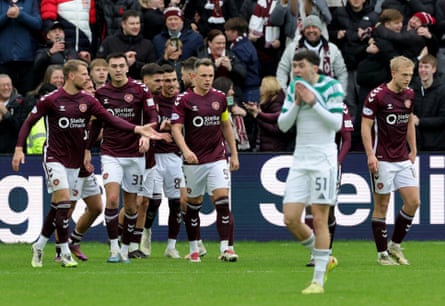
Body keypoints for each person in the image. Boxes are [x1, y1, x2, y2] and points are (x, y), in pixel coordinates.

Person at [11, 59, 163, 268]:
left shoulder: (89, 101)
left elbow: (111, 120)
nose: (88, 78)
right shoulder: (51, 99)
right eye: (84, 74)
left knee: (59, 206)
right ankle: (64, 251)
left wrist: (138, 130)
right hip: (54, 156)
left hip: (76, 161)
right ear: (71, 76)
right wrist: (19, 148)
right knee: (64, 200)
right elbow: (29, 121)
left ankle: (40, 244)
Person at [277, 50, 343, 294]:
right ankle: (326, 257)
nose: (295, 70)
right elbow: (283, 125)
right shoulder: (294, 87)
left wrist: (313, 102)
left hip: (323, 161)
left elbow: (336, 124)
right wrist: (296, 103)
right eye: (294, 66)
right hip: (299, 161)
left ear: (314, 67)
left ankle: (318, 280)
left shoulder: (332, 87)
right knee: (291, 218)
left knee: (319, 219)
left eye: (300, 65)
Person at [86, 53, 160, 264]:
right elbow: (97, 125)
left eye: (121, 66)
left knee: (131, 207)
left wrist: (146, 135)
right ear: (108, 69)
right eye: (114, 66)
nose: (118, 69)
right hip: (111, 153)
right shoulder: (101, 94)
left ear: (127, 68)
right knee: (110, 199)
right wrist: (87, 148)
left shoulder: (140, 89)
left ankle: (126, 249)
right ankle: (113, 248)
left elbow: (153, 117)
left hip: (135, 154)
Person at [171, 58, 239, 262]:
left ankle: (226, 248)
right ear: (193, 77)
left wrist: (233, 153)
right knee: (193, 206)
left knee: (222, 201)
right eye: (204, 76)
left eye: (211, 76)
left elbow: (226, 125)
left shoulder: (220, 97)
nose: (208, 80)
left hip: (217, 158)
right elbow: (176, 128)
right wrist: (185, 150)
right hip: (193, 162)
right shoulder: (183, 100)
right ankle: (194, 249)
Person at [361, 55, 420, 266]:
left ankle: (395, 245)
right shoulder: (376, 96)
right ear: (393, 73)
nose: (408, 79)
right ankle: (382, 254)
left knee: (413, 202)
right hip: (382, 158)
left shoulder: (410, 94)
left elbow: (409, 122)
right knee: (382, 205)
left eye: (410, 75)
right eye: (404, 75)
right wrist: (369, 154)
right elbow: (365, 126)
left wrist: (412, 148)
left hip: (402, 157)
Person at [304, 102, 354, 266]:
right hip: (311, 163)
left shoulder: (339, 106)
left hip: (331, 165)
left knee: (327, 211)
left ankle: (327, 251)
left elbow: (347, 139)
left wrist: (337, 162)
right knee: (311, 207)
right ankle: (317, 253)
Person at [276, 15, 347, 97]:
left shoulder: (332, 49)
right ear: (303, 30)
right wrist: (285, 93)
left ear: (320, 30)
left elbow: (341, 73)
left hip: (326, 97)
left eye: (314, 27)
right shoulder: (293, 47)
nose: (311, 30)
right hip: (298, 98)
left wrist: (340, 94)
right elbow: (282, 70)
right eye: (308, 28)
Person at [96, 10, 157, 80]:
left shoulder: (147, 44)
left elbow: (153, 69)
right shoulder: (109, 42)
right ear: (123, 24)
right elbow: (100, 63)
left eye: (137, 23)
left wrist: (135, 64)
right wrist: (123, 60)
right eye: (132, 24)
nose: (136, 26)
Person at [0, 0, 42, 95]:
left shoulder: (31, 2)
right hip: (4, 59)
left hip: (27, 59)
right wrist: (6, 16)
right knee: (5, 96)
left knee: (26, 95)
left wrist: (20, 14)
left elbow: (38, 24)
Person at [243, 76, 290, 152]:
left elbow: (276, 129)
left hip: (274, 149)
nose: (259, 88)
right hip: (267, 146)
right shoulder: (267, 103)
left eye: (262, 86)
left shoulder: (276, 105)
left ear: (267, 88)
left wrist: (257, 116)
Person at [26, 65, 64, 155]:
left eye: (62, 77)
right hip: (36, 151)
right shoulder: (32, 99)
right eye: (56, 77)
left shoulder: (69, 97)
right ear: (48, 78)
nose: (59, 80)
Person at [411, 54, 445, 151]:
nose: (423, 70)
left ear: (433, 69)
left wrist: (420, 122)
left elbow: (443, 119)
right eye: (421, 67)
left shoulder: (442, 91)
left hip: (437, 145)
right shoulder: (412, 89)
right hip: (416, 144)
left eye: (426, 67)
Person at [33, 21, 79, 88]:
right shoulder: (43, 50)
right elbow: (37, 66)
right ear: (48, 36)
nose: (57, 34)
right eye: (54, 32)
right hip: (50, 87)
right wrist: (50, 52)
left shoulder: (71, 50)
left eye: (60, 31)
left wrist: (85, 60)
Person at [0, 74, 29, 154]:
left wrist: (5, 113)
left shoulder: (21, 103)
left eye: (8, 85)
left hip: (14, 153)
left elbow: (21, 128)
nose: (6, 88)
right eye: (3, 85)